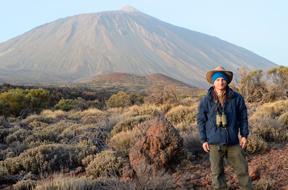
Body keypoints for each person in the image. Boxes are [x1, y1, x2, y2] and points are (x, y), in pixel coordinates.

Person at [197, 66, 253, 190]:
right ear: (213, 82)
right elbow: (201, 120)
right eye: (217, 80)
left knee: (242, 170)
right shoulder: (206, 100)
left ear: (227, 81)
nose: (220, 82)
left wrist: (244, 135)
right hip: (214, 143)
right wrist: (203, 140)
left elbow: (243, 117)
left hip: (233, 141)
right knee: (217, 174)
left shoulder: (236, 98)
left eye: (223, 79)